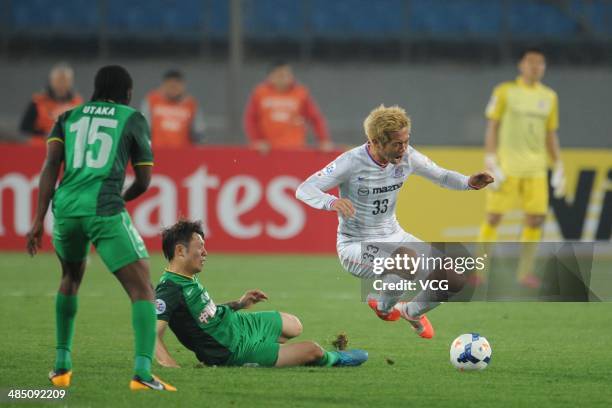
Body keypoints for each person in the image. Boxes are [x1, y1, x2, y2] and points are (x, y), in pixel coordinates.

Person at [26, 65, 175, 391]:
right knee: (143, 290)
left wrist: (38, 220)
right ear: (128, 91)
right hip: (104, 208)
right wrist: (121, 197)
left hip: (64, 210)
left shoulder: (67, 117)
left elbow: (51, 165)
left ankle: (61, 367)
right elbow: (145, 180)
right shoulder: (131, 118)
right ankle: (142, 374)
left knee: (69, 278)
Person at [295, 105, 493, 338]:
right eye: (397, 144)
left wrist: (469, 182)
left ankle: (411, 311)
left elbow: (441, 176)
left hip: (395, 236)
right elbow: (304, 188)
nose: (404, 148)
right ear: (376, 142)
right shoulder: (350, 162)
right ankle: (384, 307)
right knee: (404, 260)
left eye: (406, 141)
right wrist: (331, 202)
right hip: (355, 245)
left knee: (455, 278)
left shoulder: (408, 157)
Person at [155, 219, 368, 368]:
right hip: (233, 350)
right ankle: (335, 359)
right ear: (180, 251)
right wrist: (170, 366)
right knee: (314, 350)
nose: (205, 252)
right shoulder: (168, 289)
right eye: (199, 247)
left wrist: (238, 304)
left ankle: (267, 352)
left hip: (235, 325)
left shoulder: (186, 278)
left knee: (294, 325)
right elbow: (152, 335)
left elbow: (205, 313)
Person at [478, 47, 565, 288]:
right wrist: (490, 159)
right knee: (494, 217)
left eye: (541, 63)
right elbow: (492, 126)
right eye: (531, 62)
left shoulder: (549, 97)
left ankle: (524, 273)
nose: (536, 67)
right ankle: (479, 270)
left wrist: (558, 165)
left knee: (536, 219)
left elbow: (550, 133)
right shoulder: (505, 92)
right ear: (521, 65)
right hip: (507, 167)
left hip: (536, 169)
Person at [243, 61, 333, 153]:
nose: (284, 79)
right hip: (267, 150)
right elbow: (251, 119)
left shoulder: (301, 93)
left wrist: (324, 140)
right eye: (280, 75)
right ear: (270, 77)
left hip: (295, 149)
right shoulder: (260, 93)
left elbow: (315, 118)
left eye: (287, 75)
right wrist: (256, 141)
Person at [20, 63, 83, 145]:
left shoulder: (77, 103)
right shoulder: (38, 102)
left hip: (68, 148)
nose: (62, 84)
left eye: (65, 80)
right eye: (58, 80)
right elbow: (24, 127)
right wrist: (44, 134)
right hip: (40, 147)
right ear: (51, 81)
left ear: (71, 82)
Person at [141, 69, 205, 148]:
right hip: (156, 153)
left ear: (183, 86)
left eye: (176, 86)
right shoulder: (151, 101)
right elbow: (143, 131)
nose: (173, 89)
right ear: (163, 85)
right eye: (170, 86)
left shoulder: (191, 104)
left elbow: (199, 134)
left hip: (183, 154)